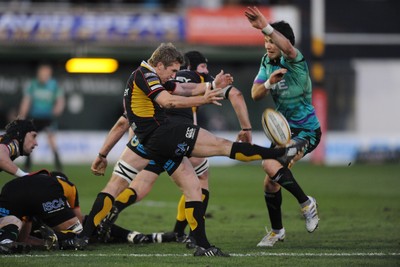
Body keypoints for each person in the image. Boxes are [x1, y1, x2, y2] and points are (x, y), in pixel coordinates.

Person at [78, 42, 306, 257]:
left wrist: (211, 86)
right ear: (160, 65)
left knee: (187, 186)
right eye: (173, 69)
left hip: (144, 141)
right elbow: (169, 101)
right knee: (222, 146)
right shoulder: (146, 75)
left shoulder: (146, 76)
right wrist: (205, 99)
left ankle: (84, 236)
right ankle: (279, 153)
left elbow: (183, 88)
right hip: (164, 134)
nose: (174, 74)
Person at [93, 50, 253, 248]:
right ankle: (183, 232)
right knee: (198, 181)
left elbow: (124, 120)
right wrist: (245, 127)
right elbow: (234, 93)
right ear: (191, 68)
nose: (206, 70)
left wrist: (108, 151)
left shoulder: (154, 80)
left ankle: (109, 214)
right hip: (179, 139)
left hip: (148, 140)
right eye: (203, 66)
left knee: (138, 184)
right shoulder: (194, 79)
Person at [245, 6, 322, 247]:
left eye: (271, 40)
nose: (267, 44)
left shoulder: (295, 60)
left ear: (282, 41)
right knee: (270, 181)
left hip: (306, 132)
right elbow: (255, 94)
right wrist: (268, 82)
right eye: (265, 40)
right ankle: (277, 231)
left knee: (269, 164)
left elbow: (287, 47)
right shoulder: (266, 62)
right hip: (284, 132)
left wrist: (266, 25)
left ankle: (307, 204)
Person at [19, 63, 65, 171]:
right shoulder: (33, 85)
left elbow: (60, 100)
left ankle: (58, 165)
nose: (44, 75)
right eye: (42, 73)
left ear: (49, 74)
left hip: (48, 118)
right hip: (35, 117)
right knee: (29, 141)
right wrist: (21, 116)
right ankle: (27, 165)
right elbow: (26, 101)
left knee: (52, 140)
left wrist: (58, 108)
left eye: (46, 73)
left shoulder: (54, 85)